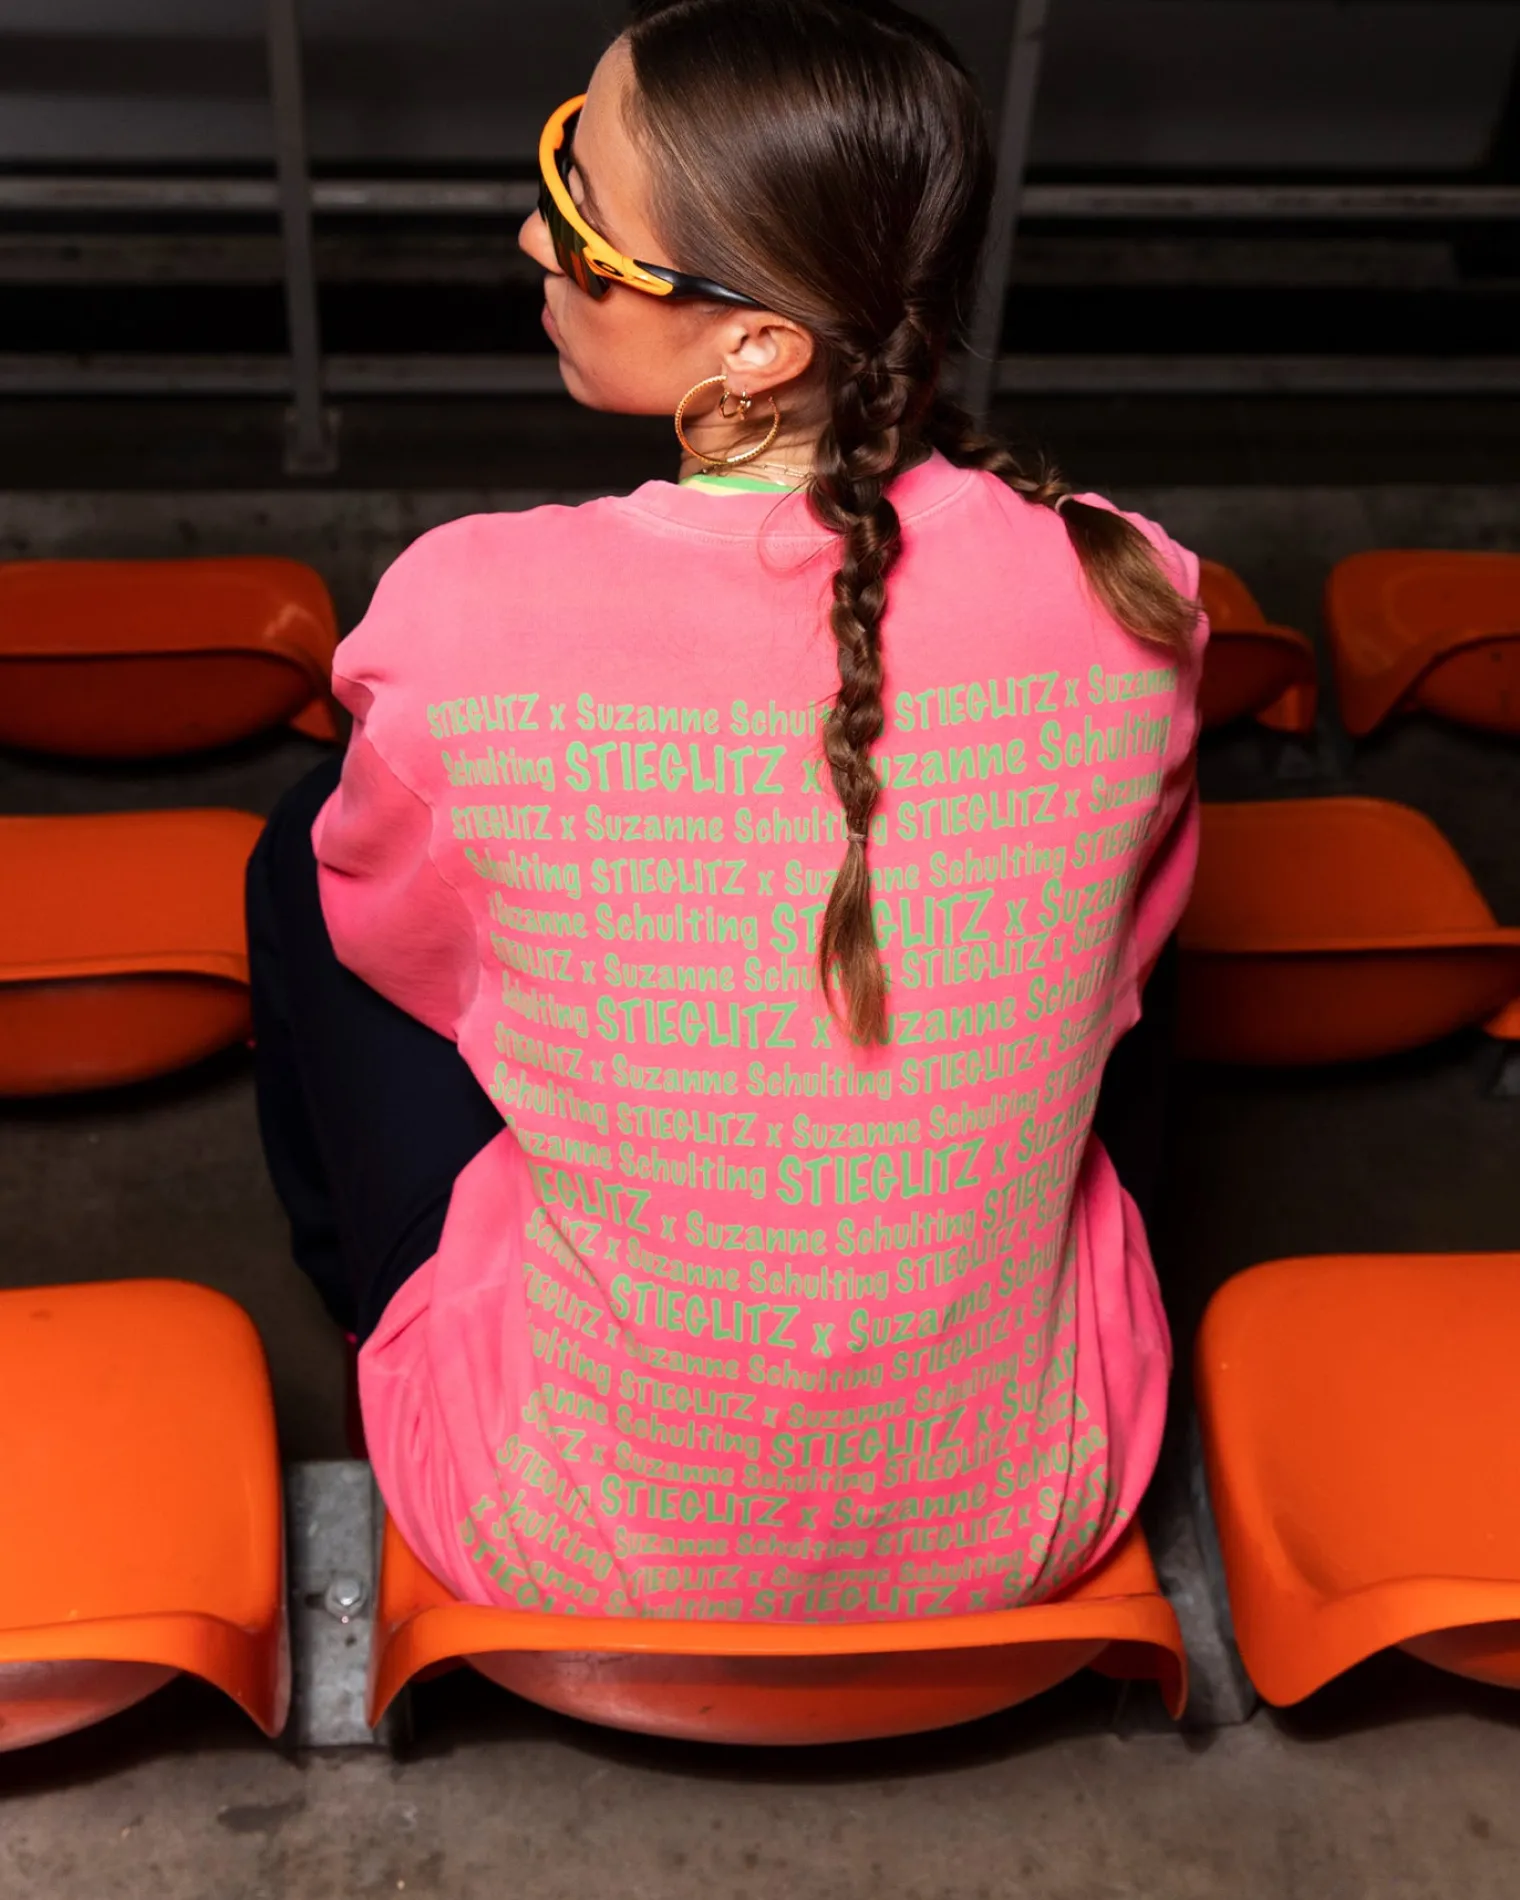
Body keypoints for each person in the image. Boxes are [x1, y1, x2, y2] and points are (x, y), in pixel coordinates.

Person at [248, 0, 1207, 1625]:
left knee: (302, 850)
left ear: (757, 346)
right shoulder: (1138, 591)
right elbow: (1109, 978)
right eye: (561, 153)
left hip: (567, 1538)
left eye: (581, 215)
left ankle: (387, 1316)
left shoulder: (460, 613)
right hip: (1036, 1507)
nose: (532, 234)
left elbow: (420, 966)